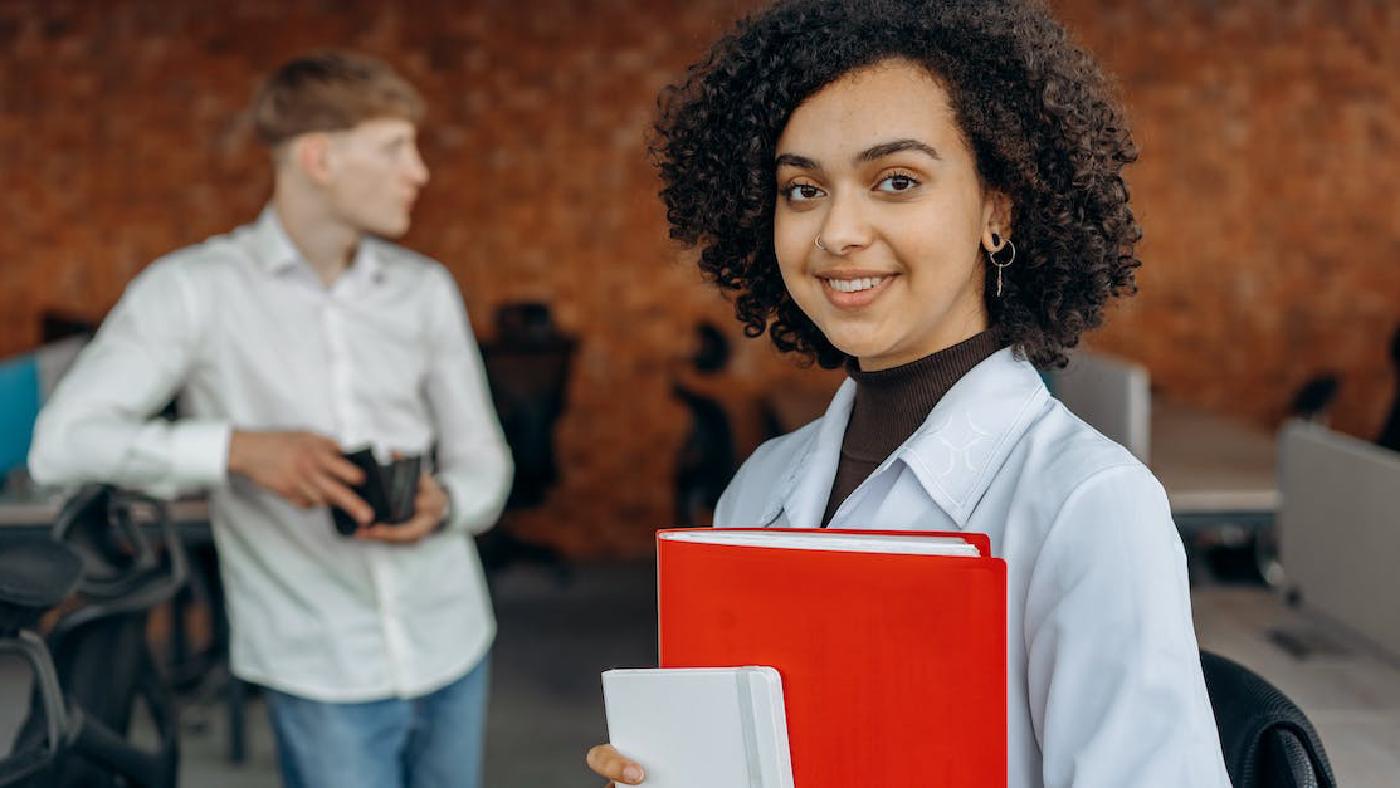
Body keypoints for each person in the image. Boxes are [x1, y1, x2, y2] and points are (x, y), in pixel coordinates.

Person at [587, 1, 1230, 785]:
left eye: (896, 181)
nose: (837, 233)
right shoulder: (759, 489)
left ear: (998, 209)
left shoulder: (1087, 505)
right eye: (802, 190)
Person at [29, 51, 512, 788]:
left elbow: (486, 461)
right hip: (316, 665)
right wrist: (236, 450)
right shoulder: (190, 292)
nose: (419, 171)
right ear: (318, 157)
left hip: (452, 640)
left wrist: (445, 502)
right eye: (394, 149)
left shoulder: (425, 291)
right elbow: (60, 445)